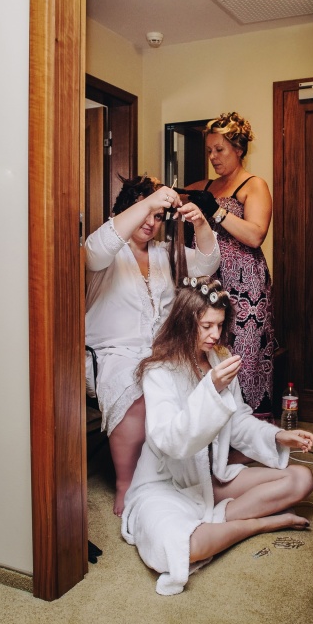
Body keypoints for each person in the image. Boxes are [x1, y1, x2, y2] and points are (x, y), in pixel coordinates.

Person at [122, 276, 313, 595]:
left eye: (220, 325)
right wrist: (210, 388)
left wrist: (279, 437)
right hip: (166, 485)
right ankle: (259, 524)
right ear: (185, 324)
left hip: (210, 479)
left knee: (301, 479)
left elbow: (236, 420)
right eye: (207, 326)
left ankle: (217, 522)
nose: (216, 335)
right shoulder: (160, 372)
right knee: (182, 549)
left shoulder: (219, 359)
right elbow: (170, 440)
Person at [85, 175, 219, 516]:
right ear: (123, 211)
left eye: (158, 217)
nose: (151, 222)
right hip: (111, 352)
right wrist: (151, 201)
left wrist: (201, 223)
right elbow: (93, 252)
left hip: (159, 351)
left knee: (198, 375)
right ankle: (126, 482)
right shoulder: (106, 250)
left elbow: (208, 263)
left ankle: (179, 472)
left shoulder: (164, 253)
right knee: (135, 388)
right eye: (144, 212)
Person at [183, 112, 277, 417]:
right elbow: (171, 196)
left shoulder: (254, 185)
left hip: (246, 287)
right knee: (210, 352)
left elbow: (255, 235)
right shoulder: (207, 185)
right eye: (209, 150)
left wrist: (217, 212)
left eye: (219, 149)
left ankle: (249, 429)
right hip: (211, 282)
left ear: (238, 149)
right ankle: (212, 426)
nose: (212, 156)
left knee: (243, 360)